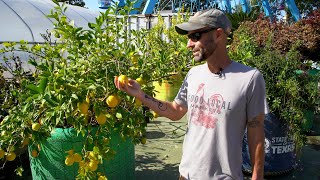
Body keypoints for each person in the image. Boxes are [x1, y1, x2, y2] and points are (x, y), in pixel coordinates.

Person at [115, 8, 269, 180]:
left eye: (195, 37)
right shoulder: (193, 74)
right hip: (186, 176)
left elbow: (256, 133)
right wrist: (140, 94)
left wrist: (257, 177)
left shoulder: (250, 79)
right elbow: (175, 110)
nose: (189, 44)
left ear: (218, 35)